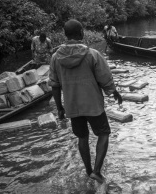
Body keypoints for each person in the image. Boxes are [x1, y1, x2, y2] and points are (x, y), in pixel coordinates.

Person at [49, 19, 123, 183]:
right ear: (81, 33)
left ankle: (88, 171)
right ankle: (96, 171)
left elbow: (54, 85)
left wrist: (60, 109)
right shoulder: (92, 54)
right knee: (104, 134)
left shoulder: (55, 58)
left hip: (72, 106)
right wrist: (114, 93)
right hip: (93, 105)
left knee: (82, 138)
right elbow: (105, 79)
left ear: (65, 35)